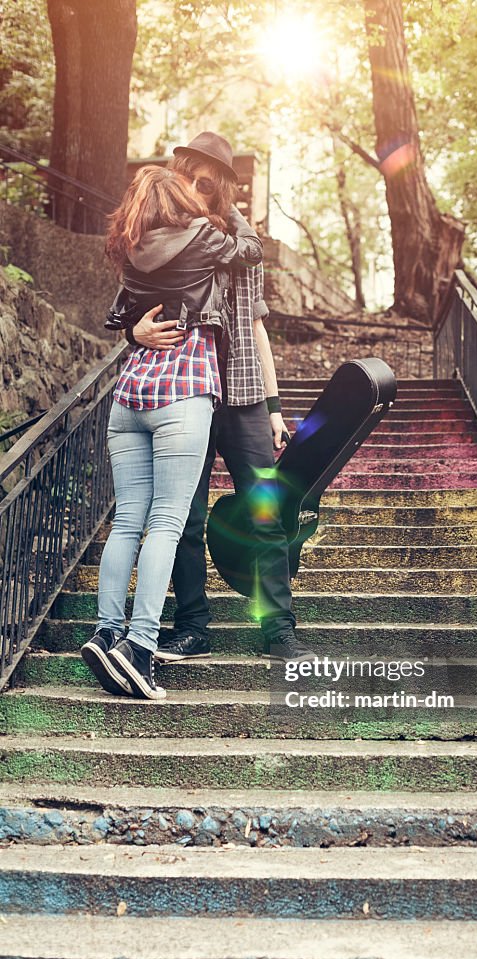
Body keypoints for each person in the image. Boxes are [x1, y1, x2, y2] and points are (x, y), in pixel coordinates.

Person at [126, 132, 316, 665]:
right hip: (184, 393)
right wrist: (133, 333)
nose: (198, 184)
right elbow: (135, 306)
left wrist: (275, 407)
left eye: (210, 178)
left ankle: (279, 628)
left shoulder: (242, 242)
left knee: (266, 512)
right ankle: (191, 625)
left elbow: (256, 327)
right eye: (190, 173)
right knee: (182, 515)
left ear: (225, 185)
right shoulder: (163, 235)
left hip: (244, 396)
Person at [80, 164, 263, 700]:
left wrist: (135, 329)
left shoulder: (131, 248)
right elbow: (251, 250)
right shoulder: (203, 237)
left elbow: (120, 318)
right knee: (165, 522)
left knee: (127, 521)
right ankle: (138, 647)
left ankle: (106, 631)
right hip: (182, 391)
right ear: (176, 200)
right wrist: (230, 210)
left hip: (131, 394)